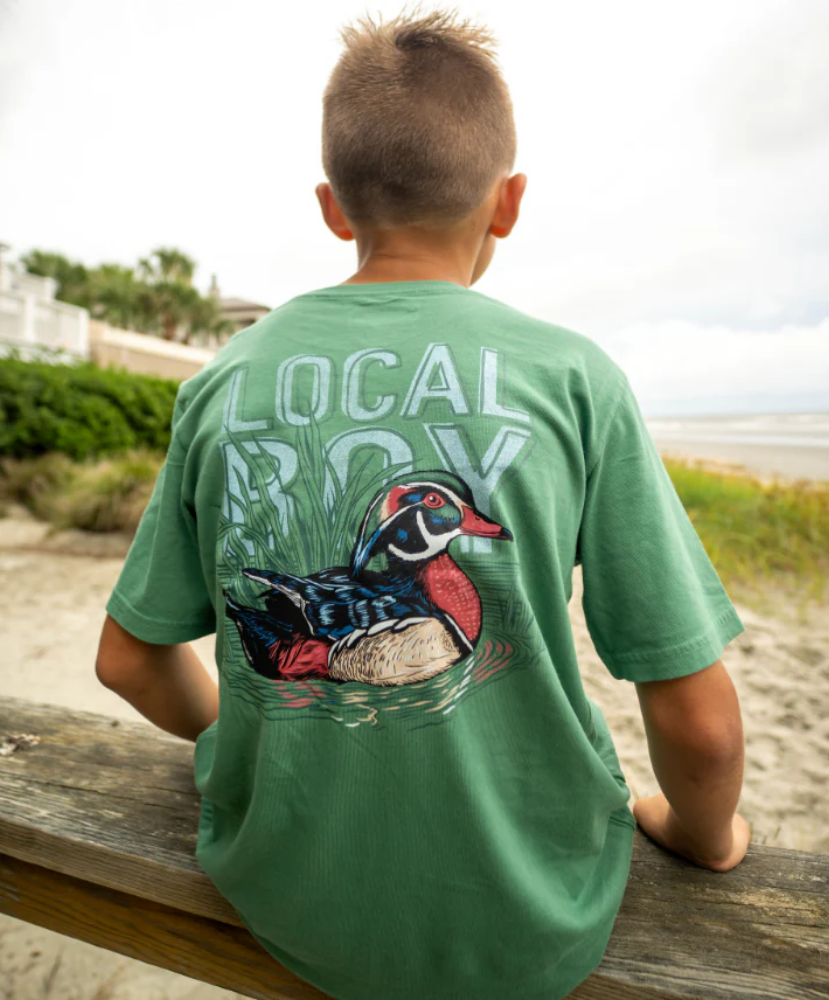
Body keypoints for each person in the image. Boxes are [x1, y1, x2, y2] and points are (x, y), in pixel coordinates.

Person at [96, 9, 751, 999]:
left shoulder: (223, 381)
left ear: (333, 207)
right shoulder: (574, 378)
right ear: (508, 202)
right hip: (531, 925)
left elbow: (128, 658)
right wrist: (703, 834)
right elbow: (700, 726)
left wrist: (241, 734)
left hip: (285, 904)